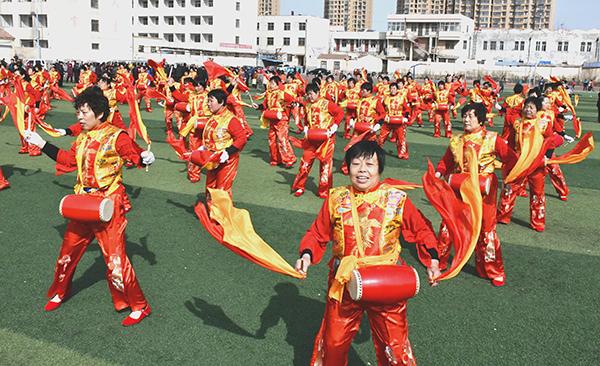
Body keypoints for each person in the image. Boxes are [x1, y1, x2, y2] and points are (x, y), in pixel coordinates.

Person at [295, 140, 441, 365]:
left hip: (386, 281)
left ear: (379, 169)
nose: (362, 170)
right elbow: (317, 233)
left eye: (369, 164)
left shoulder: (396, 199)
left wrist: (432, 259)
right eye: (356, 164)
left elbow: (421, 230)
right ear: (348, 168)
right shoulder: (336, 198)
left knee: (395, 347)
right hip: (344, 280)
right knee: (333, 342)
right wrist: (306, 255)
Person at [23, 87, 155, 326]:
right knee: (67, 253)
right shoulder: (82, 137)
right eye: (78, 113)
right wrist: (41, 143)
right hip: (83, 204)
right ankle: (59, 292)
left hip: (109, 205)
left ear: (100, 114)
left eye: (84, 112)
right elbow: (68, 160)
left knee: (115, 260)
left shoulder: (117, 136)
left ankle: (139, 305)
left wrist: (143, 158)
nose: (79, 117)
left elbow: (132, 154)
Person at [435, 103, 517, 286]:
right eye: (465, 116)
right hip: (459, 185)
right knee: (448, 223)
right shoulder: (456, 140)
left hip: (483, 189)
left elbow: (510, 158)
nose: (466, 119)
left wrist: (511, 176)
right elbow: (447, 161)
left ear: (481, 119)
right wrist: (439, 172)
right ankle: (440, 261)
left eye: (471, 116)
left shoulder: (492, 138)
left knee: (486, 229)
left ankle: (492, 269)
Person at [497, 97, 564, 232]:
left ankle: (537, 222)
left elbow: (550, 141)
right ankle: (503, 216)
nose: (528, 110)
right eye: (526, 106)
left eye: (531, 107)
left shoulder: (543, 124)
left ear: (537, 110)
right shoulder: (517, 123)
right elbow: (510, 141)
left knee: (537, 193)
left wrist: (547, 157)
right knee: (510, 188)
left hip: (536, 163)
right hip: (518, 162)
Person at [189, 88, 248, 198]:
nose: (208, 104)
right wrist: (204, 148)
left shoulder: (231, 119)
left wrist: (228, 152)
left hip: (227, 160)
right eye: (208, 101)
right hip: (212, 158)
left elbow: (242, 138)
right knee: (210, 188)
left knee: (222, 190)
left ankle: (221, 214)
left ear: (221, 102)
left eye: (211, 101)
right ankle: (212, 214)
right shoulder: (213, 118)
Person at [291, 83, 343, 198]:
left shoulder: (327, 103)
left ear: (317, 93)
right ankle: (300, 186)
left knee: (325, 165)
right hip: (311, 138)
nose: (309, 97)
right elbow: (306, 118)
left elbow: (340, 112)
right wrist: (305, 127)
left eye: (311, 94)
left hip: (326, 139)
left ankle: (324, 190)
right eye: (308, 94)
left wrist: (334, 127)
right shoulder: (308, 105)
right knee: (305, 163)